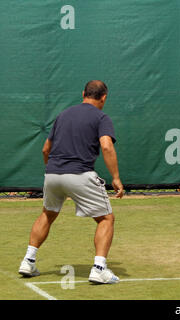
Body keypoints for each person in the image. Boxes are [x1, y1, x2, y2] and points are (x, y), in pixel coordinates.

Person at [18, 80, 124, 284]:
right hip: (80, 174)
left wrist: (53, 171)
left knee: (47, 215)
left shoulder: (62, 115)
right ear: (104, 97)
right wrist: (116, 178)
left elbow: (45, 149)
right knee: (106, 219)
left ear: (83, 93)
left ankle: (28, 261)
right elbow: (107, 147)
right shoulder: (102, 117)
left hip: (52, 174)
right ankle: (99, 268)